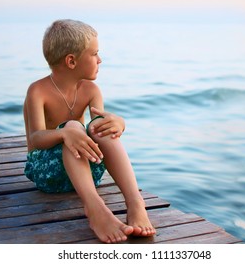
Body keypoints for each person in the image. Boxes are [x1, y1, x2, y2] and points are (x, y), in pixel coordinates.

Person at [23, 19, 156, 243]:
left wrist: (118, 123)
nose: (100, 59)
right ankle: (96, 210)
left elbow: (99, 132)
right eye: (95, 54)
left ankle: (135, 204)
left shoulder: (91, 90)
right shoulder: (38, 91)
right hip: (47, 174)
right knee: (73, 126)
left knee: (99, 127)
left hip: (86, 174)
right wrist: (64, 132)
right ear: (72, 61)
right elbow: (35, 140)